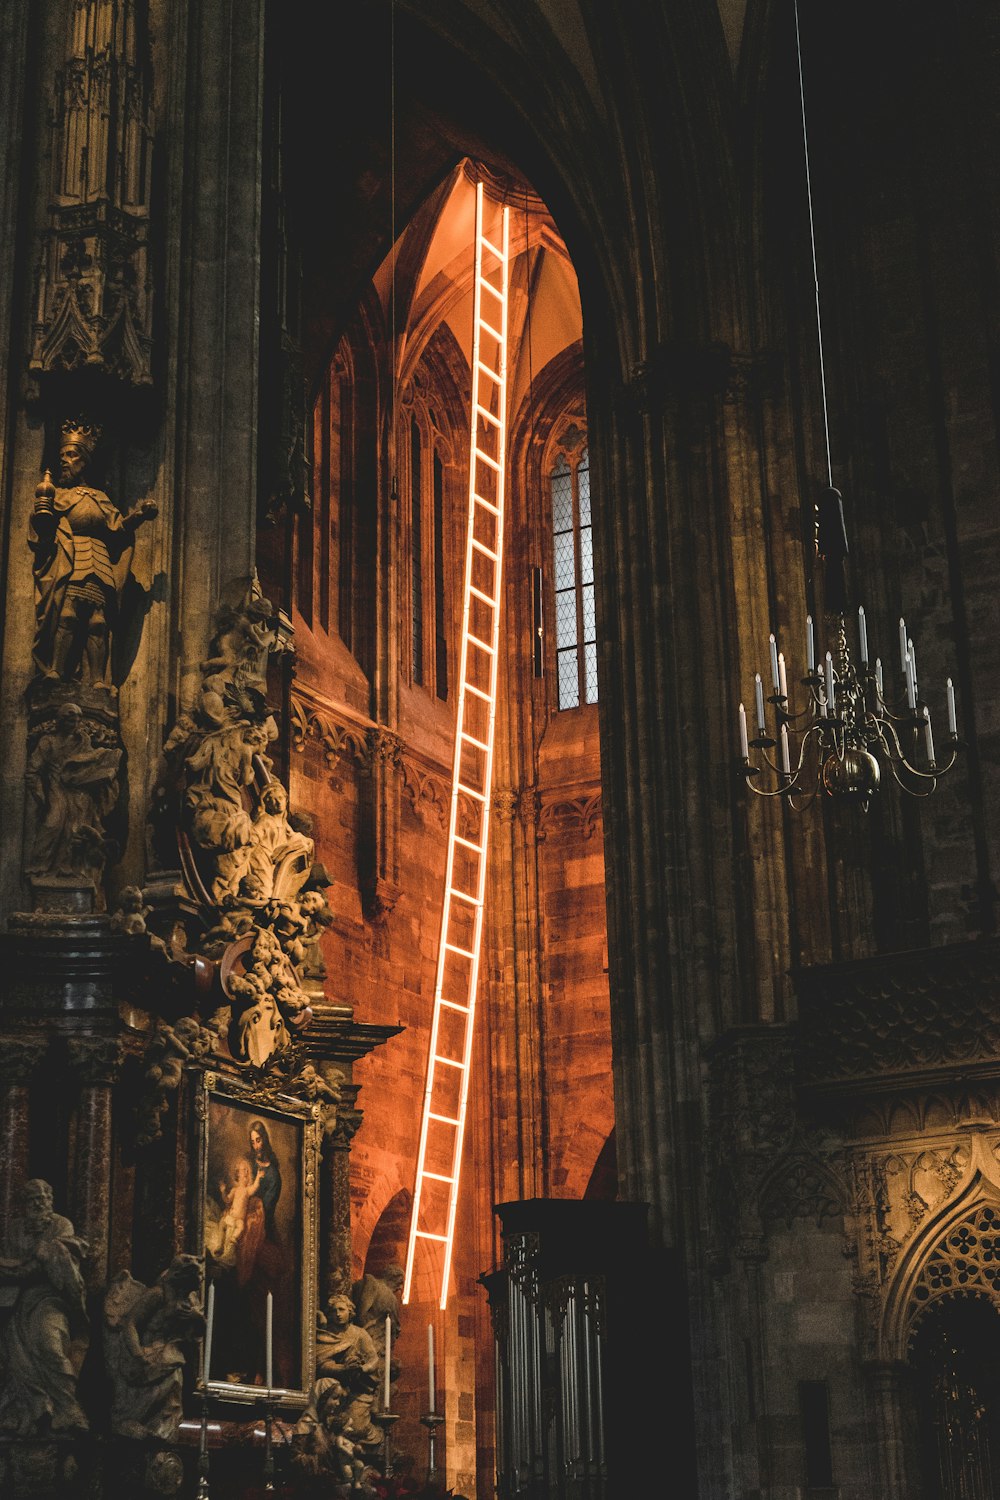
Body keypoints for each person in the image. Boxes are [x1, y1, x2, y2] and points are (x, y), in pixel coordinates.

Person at [28, 417, 157, 684]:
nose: (65, 460)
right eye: (62, 455)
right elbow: (43, 528)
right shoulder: (59, 495)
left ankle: (98, 679)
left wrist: (140, 515)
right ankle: (55, 670)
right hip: (71, 558)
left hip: (98, 560)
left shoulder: (100, 498)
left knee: (98, 622)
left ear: (85, 461)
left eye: (72, 455)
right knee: (67, 614)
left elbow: (118, 528)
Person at [0, 1179, 89, 1435]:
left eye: (44, 1198)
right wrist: (28, 1263)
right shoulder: (15, 1230)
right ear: (24, 1203)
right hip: (15, 1302)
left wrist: (23, 1266)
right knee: (14, 1352)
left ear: (51, 1200)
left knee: (49, 1343)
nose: (40, 1203)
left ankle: (68, 1409)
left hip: (50, 1299)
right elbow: (11, 1266)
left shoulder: (61, 1225)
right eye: (33, 1199)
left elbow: (52, 1265)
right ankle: (30, 1409)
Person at [24, 701, 121, 877]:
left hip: (79, 790)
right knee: (52, 823)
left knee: (76, 829)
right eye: (70, 721)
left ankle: (68, 868)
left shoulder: (82, 740)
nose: (74, 725)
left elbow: (89, 763)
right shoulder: (48, 742)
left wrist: (104, 770)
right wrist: (40, 794)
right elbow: (33, 770)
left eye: (77, 721)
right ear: (60, 721)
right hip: (56, 788)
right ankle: (39, 867)